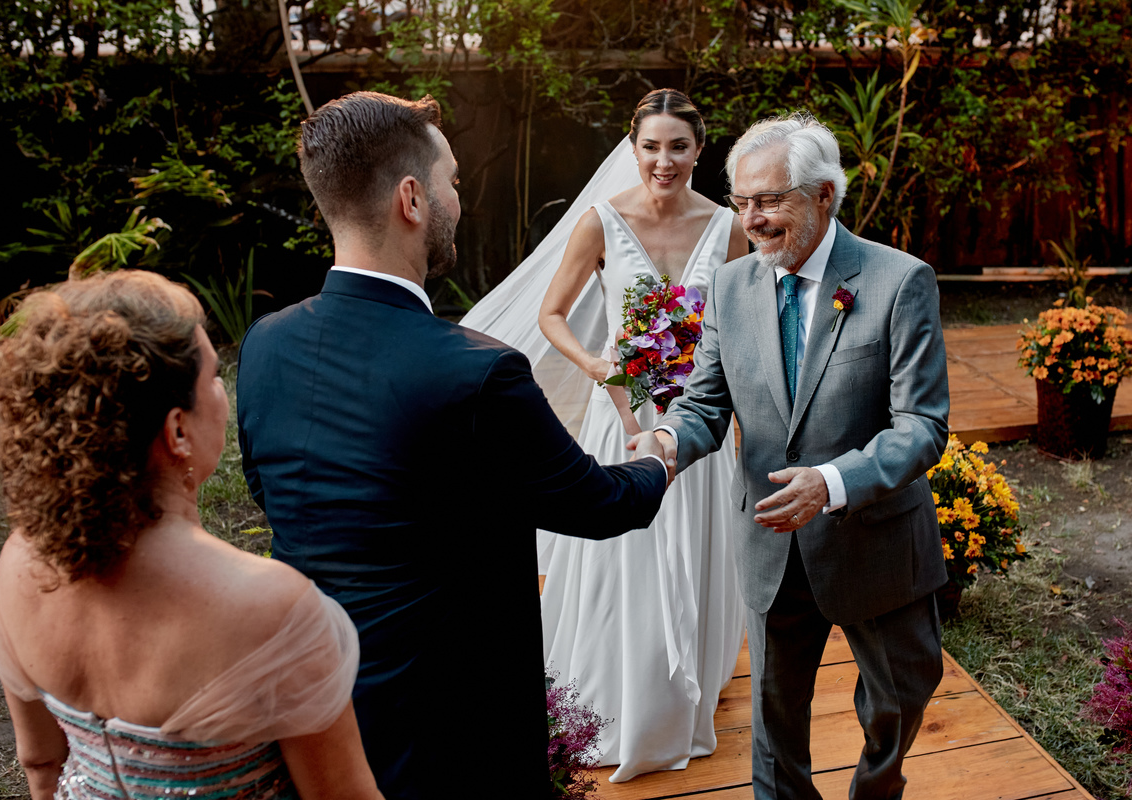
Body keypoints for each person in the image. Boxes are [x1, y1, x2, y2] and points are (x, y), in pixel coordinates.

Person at [236, 91, 670, 800]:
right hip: (453, 730)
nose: (458, 200)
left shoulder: (265, 344)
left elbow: (270, 490)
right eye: (454, 183)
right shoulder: (478, 372)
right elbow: (598, 504)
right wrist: (658, 451)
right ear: (413, 198)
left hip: (312, 708)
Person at [635, 111, 950, 799]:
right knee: (775, 735)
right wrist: (665, 443)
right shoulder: (729, 286)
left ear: (824, 196)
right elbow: (705, 404)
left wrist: (833, 482)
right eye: (743, 201)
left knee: (899, 701)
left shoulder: (900, 281)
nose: (753, 217)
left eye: (770, 199)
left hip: (877, 541)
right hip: (773, 544)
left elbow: (923, 425)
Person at [0, 271, 381, 800]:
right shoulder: (272, 608)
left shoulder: (18, 566)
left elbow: (40, 764)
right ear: (177, 430)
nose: (224, 390)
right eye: (214, 375)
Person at [462, 88, 750, 782]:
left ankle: (690, 685)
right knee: (631, 552)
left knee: (692, 549)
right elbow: (553, 313)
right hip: (622, 418)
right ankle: (626, 694)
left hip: (699, 426)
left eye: (678, 146)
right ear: (633, 147)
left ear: (699, 151)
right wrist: (599, 365)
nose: (663, 160)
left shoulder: (726, 228)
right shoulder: (600, 221)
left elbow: (739, 326)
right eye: (650, 146)